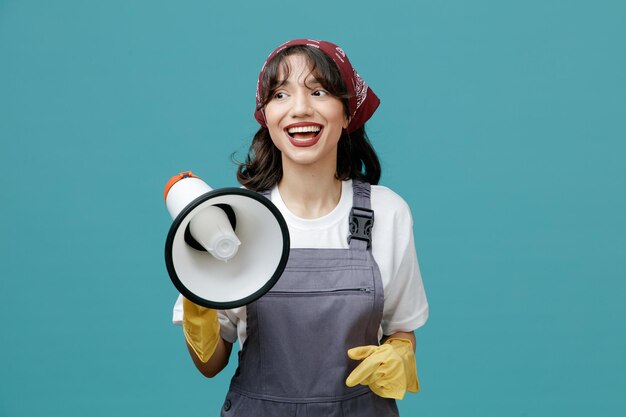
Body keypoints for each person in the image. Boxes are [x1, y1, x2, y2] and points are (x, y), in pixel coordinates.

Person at [172, 38, 429, 416]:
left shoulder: (387, 212)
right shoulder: (233, 217)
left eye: (319, 91)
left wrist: (401, 351)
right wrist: (198, 305)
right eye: (280, 95)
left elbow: (401, 327)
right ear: (267, 117)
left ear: (347, 113)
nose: (300, 108)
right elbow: (210, 365)